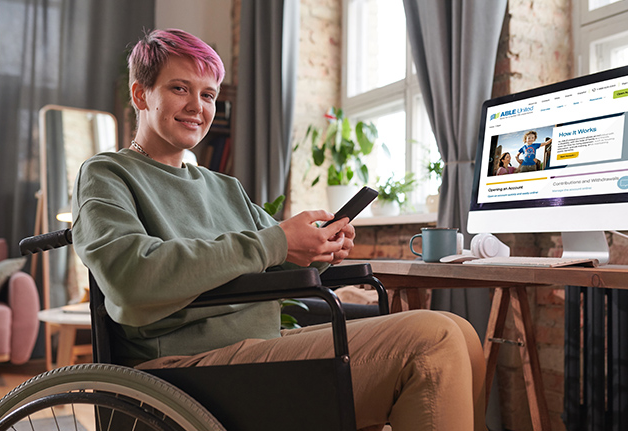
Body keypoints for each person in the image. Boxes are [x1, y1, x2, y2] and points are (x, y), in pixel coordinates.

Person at [71, 28, 486, 431]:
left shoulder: (224, 187)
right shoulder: (108, 175)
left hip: (262, 350)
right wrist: (277, 242)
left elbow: (276, 262)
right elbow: (132, 281)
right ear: (140, 94)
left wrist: (317, 250)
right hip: (184, 368)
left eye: (208, 94)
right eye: (180, 88)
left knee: (463, 335)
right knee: (433, 338)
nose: (197, 105)